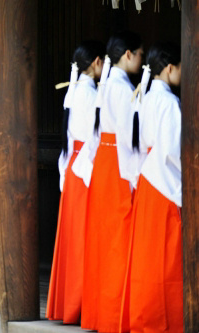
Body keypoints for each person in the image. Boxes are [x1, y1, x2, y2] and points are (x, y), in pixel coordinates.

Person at [78, 31, 143, 332]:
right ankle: (115, 312)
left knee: (105, 239)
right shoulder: (121, 87)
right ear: (127, 55)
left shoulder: (105, 84)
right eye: (140, 55)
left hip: (104, 160)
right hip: (118, 161)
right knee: (118, 240)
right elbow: (128, 137)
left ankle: (100, 312)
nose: (142, 61)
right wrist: (135, 177)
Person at [120, 42, 182, 333]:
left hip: (148, 177)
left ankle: (147, 315)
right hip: (166, 179)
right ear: (170, 68)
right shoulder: (169, 103)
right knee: (167, 255)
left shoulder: (144, 97)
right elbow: (173, 150)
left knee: (149, 254)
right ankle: (166, 317)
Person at [46, 41, 105, 324]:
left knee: (74, 237)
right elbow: (91, 138)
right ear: (96, 62)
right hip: (85, 168)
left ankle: (72, 304)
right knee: (83, 237)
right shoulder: (90, 92)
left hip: (73, 167)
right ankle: (80, 304)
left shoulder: (76, 91)